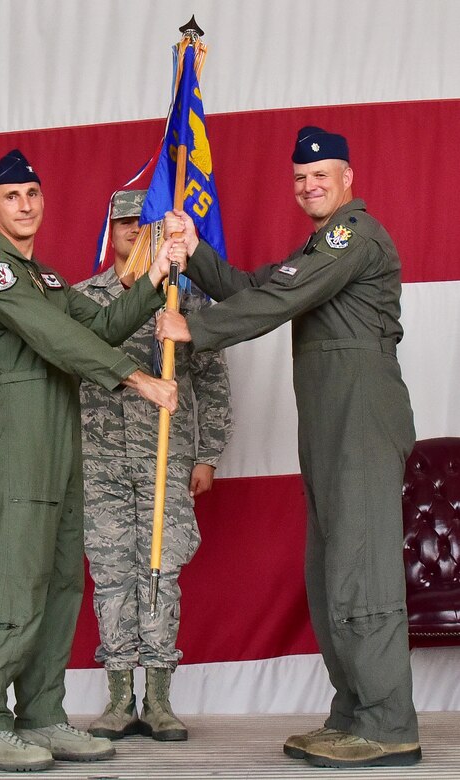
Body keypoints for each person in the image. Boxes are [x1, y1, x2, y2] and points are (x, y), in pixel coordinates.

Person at [158, 127, 421, 769]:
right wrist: (195, 254)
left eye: (320, 175)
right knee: (331, 567)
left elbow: (282, 297)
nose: (309, 185)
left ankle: (388, 722)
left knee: (362, 568)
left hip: (361, 414)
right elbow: (261, 285)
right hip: (331, 417)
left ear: (348, 177)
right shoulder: (317, 246)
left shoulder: (352, 235)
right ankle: (356, 711)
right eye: (300, 178)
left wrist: (194, 327)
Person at [0, 150, 186, 773]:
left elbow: (102, 324)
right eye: (11, 197)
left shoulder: (47, 279)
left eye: (32, 193)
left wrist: (156, 265)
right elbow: (57, 339)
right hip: (20, 435)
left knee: (59, 578)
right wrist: (137, 379)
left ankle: (41, 715)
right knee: (14, 574)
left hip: (61, 434)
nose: (25, 205)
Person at [74, 189, 232, 742]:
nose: (132, 233)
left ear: (157, 235)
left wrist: (208, 454)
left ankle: (159, 701)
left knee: (160, 575)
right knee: (112, 576)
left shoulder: (183, 301)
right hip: (100, 466)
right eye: (122, 223)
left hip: (163, 459)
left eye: (143, 225)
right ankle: (120, 699)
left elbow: (212, 383)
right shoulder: (81, 299)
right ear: (109, 230)